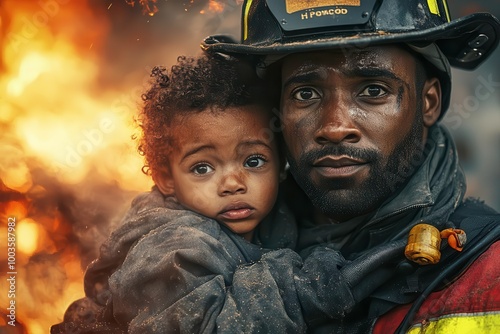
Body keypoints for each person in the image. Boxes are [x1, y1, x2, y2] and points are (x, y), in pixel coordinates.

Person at [200, 0, 500, 332]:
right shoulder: (208, 261)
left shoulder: (490, 273)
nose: (334, 127)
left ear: (428, 102)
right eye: (305, 94)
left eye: (373, 90)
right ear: (277, 112)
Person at [53, 53, 397, 334]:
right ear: (165, 178)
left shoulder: (276, 213)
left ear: (281, 165)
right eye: (203, 168)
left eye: (254, 160)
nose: (233, 183)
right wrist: (305, 285)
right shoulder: (169, 249)